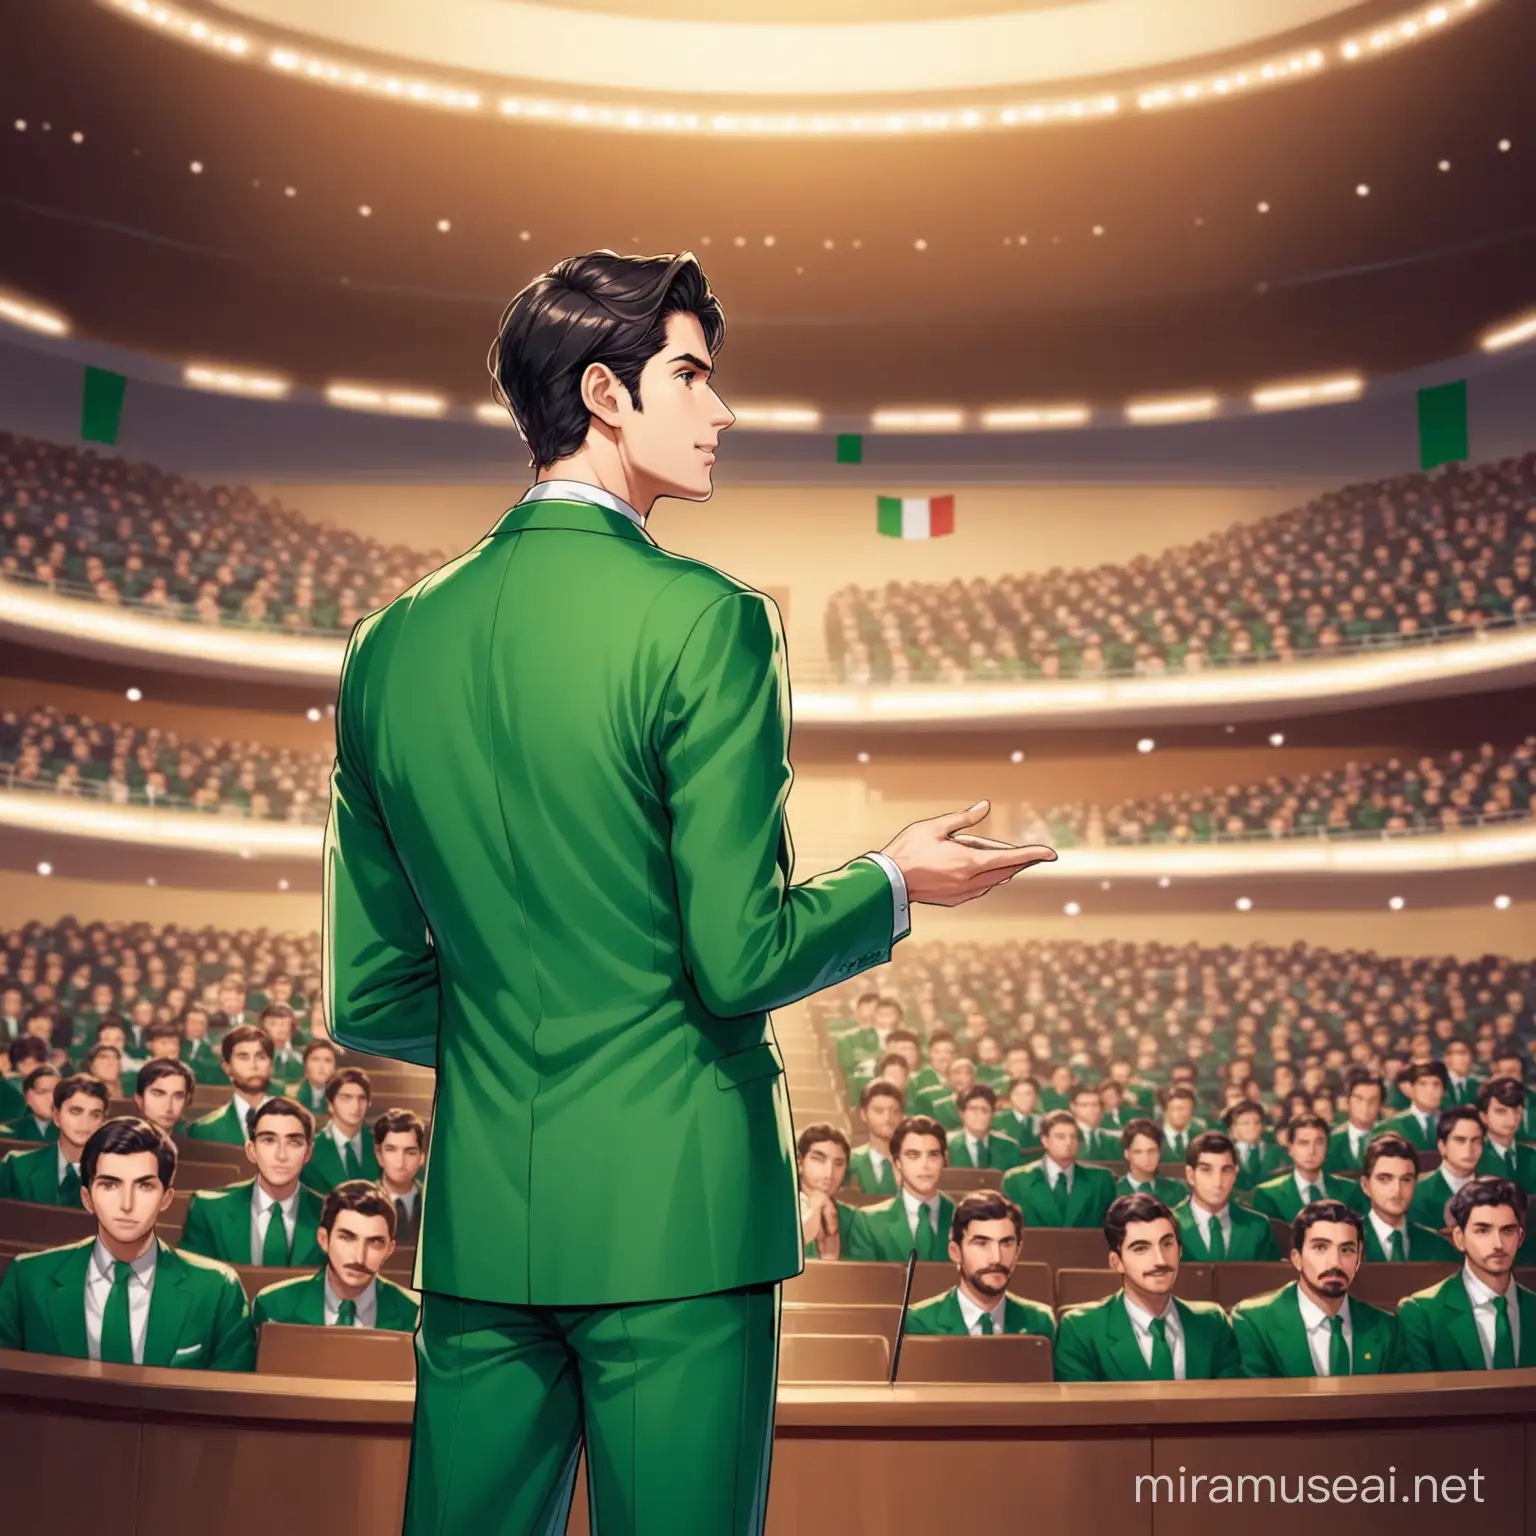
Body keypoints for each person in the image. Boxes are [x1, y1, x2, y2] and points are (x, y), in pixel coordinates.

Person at [323, 247, 1060, 1536]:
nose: (721, 411)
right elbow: (738, 956)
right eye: (693, 375)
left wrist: (524, 1033)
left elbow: (373, 994)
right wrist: (895, 880)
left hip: (486, 1230)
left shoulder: (386, 647)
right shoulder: (709, 620)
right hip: (679, 1225)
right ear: (605, 396)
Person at [0, 1117, 255, 1369]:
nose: (126, 1204)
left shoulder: (218, 1288)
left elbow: (229, 1402)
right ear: (87, 1198)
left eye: (144, 1186)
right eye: (110, 1185)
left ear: (166, 1198)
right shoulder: (27, 1278)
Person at [1053, 1193, 1241, 1382]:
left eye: (1167, 1244)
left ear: (1180, 1251)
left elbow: (1228, 1407)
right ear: (1116, 1262)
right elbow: (1081, 1410)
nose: (1160, 1260)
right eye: (1141, 1248)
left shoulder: (1214, 1324)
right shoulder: (1080, 1330)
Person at [1231, 1202, 1405, 1377]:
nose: (1335, 1263)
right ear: (1297, 1258)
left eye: (1346, 1250)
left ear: (1358, 1260)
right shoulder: (1254, 1322)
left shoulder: (1386, 1327)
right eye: (1320, 1248)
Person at [1398, 1178, 1536, 1370]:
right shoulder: (1422, 1312)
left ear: (1520, 1237)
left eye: (1507, 1231)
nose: (1498, 1244)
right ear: (1459, 1238)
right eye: (1483, 1230)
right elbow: (1422, 1398)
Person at [252, 1179, 420, 1331]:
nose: (359, 1258)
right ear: (324, 1240)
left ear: (389, 1250)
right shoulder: (274, 1307)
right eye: (347, 1238)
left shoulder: (417, 1315)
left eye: (374, 1242)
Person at [180, 1099, 326, 1267]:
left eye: (294, 1142)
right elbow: (192, 1285)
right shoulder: (208, 1210)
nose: (281, 1155)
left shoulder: (330, 1217)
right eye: (269, 1140)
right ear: (252, 1150)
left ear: (308, 1153)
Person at [904, 1191, 1055, 1339]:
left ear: (1018, 1251)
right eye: (981, 1243)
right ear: (956, 1252)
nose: (996, 1258)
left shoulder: (1040, 1323)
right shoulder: (919, 1323)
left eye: (1006, 1243)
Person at [843, 1115, 957, 1262]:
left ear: (944, 1160)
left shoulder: (963, 1219)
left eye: (933, 1155)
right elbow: (863, 1282)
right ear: (897, 1163)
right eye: (913, 1155)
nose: (925, 1165)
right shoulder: (868, 1222)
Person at [1173, 1131, 1282, 1262]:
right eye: (1206, 1170)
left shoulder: (1258, 1226)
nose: (1217, 1182)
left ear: (1235, 1173)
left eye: (1226, 1170)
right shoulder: (1169, 1225)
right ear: (1190, 1175)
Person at [0, 1074, 108, 1204]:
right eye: (75, 1112)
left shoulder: (115, 1176)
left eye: (95, 1115)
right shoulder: (17, 1166)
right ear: (56, 1116)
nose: (84, 1123)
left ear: (102, 1122)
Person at [1001, 1110, 1115, 1229]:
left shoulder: (1101, 1179)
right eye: (1061, 1137)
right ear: (1045, 1141)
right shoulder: (1016, 1180)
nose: (1068, 1142)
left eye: (1073, 1137)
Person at [1357, 1133, 1457, 1262]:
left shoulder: (1438, 1246)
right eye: (1385, 1179)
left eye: (1406, 1180)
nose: (1397, 1190)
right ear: (1365, 1186)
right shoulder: (1347, 1241)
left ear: (1415, 1184)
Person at [1250, 1113, 1368, 1222]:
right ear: (1290, 1149)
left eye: (1319, 1143)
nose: (1311, 1151)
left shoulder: (1350, 1190)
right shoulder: (1268, 1194)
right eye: (1303, 1143)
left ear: (1327, 1148)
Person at [184, 1024, 276, 1144]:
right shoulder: (203, 1131)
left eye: (261, 1057)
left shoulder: (297, 1124)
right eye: (243, 1057)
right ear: (227, 1067)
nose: (253, 1066)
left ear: (271, 1066)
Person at [301, 1066, 382, 1192]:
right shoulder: (311, 1151)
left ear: (369, 1103)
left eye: (361, 1098)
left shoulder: (379, 1146)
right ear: (330, 1105)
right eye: (346, 1098)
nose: (356, 1106)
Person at [1409, 1106, 1485, 1230]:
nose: (1469, 1149)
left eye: (1476, 1141)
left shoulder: (1494, 1189)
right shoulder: (1419, 1195)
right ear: (1442, 1146)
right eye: (1460, 1140)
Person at [796, 1124, 850, 1261]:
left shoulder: (853, 1219)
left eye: (838, 1164)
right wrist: (815, 1210)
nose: (829, 1172)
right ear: (799, 1163)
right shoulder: (774, 1212)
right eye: (819, 1160)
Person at [374, 1107, 427, 1245]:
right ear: (379, 1155)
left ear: (422, 1158)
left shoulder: (435, 1202)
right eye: (391, 1150)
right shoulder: (360, 1204)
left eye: (410, 1152)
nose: (400, 1162)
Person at [1477, 1077, 1536, 1191]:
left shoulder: (1532, 1156)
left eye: (1516, 1111)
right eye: (1501, 1111)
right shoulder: (1474, 1155)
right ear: (1484, 1117)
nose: (1511, 1118)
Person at [946, 1084, 1023, 1170]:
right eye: (973, 1109)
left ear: (992, 1114)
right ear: (962, 1113)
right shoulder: (947, 1146)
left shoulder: (1010, 1147)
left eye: (985, 1110)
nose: (980, 1114)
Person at [846, 1080, 901, 1195]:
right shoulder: (849, 1163)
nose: (888, 1118)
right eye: (879, 1111)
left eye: (894, 1111)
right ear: (863, 1115)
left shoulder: (913, 1163)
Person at [1113, 1119, 1186, 1205]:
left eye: (1151, 1151)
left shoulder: (1177, 1190)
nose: (1146, 1157)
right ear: (1127, 1154)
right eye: (1138, 1152)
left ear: (1159, 1152)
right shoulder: (1113, 1191)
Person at [1378, 1061, 1448, 1151]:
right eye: (1423, 1084)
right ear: (1411, 1088)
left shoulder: (1453, 1123)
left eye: (1436, 1084)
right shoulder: (1393, 1126)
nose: (1430, 1091)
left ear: (1443, 1089)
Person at [1325, 1071, 1385, 1172]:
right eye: (1359, 1099)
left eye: (1372, 1101)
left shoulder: (1390, 1139)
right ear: (1348, 1102)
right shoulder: (1331, 1142)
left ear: (1380, 1105)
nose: (1365, 1106)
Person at [1223, 1102, 1283, 1195]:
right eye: (1245, 1124)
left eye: (1257, 1122)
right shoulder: (1225, 1155)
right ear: (1233, 1128)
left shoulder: (1279, 1152)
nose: (1252, 1127)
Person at [132, 1058, 195, 1139]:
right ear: (139, 1100)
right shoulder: (120, 1145)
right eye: (158, 1094)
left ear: (187, 1101)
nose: (168, 1106)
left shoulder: (195, 1145)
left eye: (178, 1096)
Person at [1, 1064, 60, 1142]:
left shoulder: (73, 1129)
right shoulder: (8, 1131)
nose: (52, 1098)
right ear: (28, 1097)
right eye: (43, 1092)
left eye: (57, 1092)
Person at [262, 1003, 307, 1087]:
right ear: (263, 1026)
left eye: (284, 1023)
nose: (280, 1028)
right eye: (273, 1024)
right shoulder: (257, 1054)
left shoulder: (302, 1056)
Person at [1069, 1082, 1116, 1160]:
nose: (1090, 1110)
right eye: (1084, 1105)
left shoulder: (1111, 1140)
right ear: (1073, 1107)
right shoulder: (1067, 1136)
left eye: (1095, 1105)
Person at [993, 1075, 1042, 1151]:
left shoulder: (1041, 1123)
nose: (1023, 1099)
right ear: (1010, 1097)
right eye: (1018, 1094)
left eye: (1028, 1094)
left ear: (1035, 1097)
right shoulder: (997, 1121)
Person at [291, 1038, 337, 1114]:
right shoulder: (290, 1095)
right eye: (315, 1059)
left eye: (328, 1060)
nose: (322, 1066)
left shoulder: (340, 1097)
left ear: (334, 1067)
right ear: (305, 1065)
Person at [1157, 1086, 1201, 1161]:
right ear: (1166, 1110)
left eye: (1186, 1109)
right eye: (1177, 1109)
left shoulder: (1199, 1137)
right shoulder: (1154, 1137)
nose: (1182, 1114)